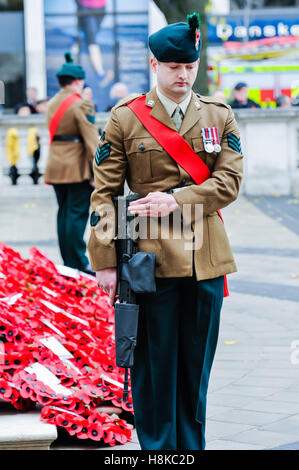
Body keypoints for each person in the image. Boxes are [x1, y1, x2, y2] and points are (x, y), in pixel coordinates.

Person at [87, 13, 243, 450]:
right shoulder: (125, 118)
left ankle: (191, 451)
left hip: (204, 260)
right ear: (154, 65)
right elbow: (103, 194)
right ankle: (158, 453)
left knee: (195, 371)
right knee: (154, 373)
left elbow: (228, 182)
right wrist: (103, 259)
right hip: (147, 265)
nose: (183, 75)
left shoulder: (218, 115)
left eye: (189, 66)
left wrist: (177, 200)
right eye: (174, 66)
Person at [44, 52, 99, 274]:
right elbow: (91, 141)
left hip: (55, 165)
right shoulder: (81, 104)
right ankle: (78, 261)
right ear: (77, 81)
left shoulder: (52, 102)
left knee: (64, 214)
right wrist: (97, 173)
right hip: (75, 168)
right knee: (76, 215)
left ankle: (68, 260)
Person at [76, 0, 114, 88]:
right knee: (91, 40)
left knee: (90, 39)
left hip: (101, 7)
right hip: (86, 7)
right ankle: (100, 74)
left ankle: (100, 74)